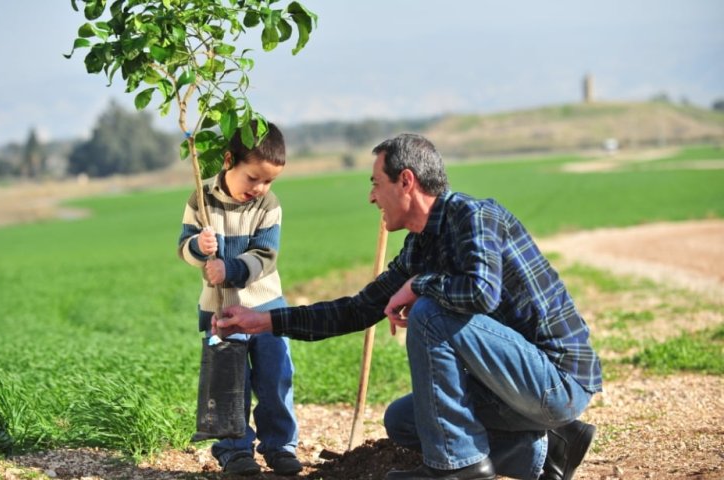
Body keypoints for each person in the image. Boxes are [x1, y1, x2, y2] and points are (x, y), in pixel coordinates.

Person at [213, 133, 602, 480]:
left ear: (406, 181)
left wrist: (419, 286)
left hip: (556, 380)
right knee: (403, 421)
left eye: (375, 184)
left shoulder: (472, 216)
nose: (371, 197)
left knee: (430, 314)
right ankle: (550, 447)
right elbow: (356, 310)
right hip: (516, 388)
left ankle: (457, 467)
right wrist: (262, 321)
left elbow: (482, 292)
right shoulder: (419, 245)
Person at [177, 121, 302, 476]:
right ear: (229, 160)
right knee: (228, 383)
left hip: (265, 308)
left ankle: (280, 446)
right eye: (253, 178)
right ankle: (234, 451)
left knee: (276, 378)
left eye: (269, 181)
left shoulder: (268, 206)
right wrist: (198, 250)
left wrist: (229, 269)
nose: (260, 188)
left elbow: (265, 255)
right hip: (219, 309)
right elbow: (183, 247)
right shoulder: (200, 199)